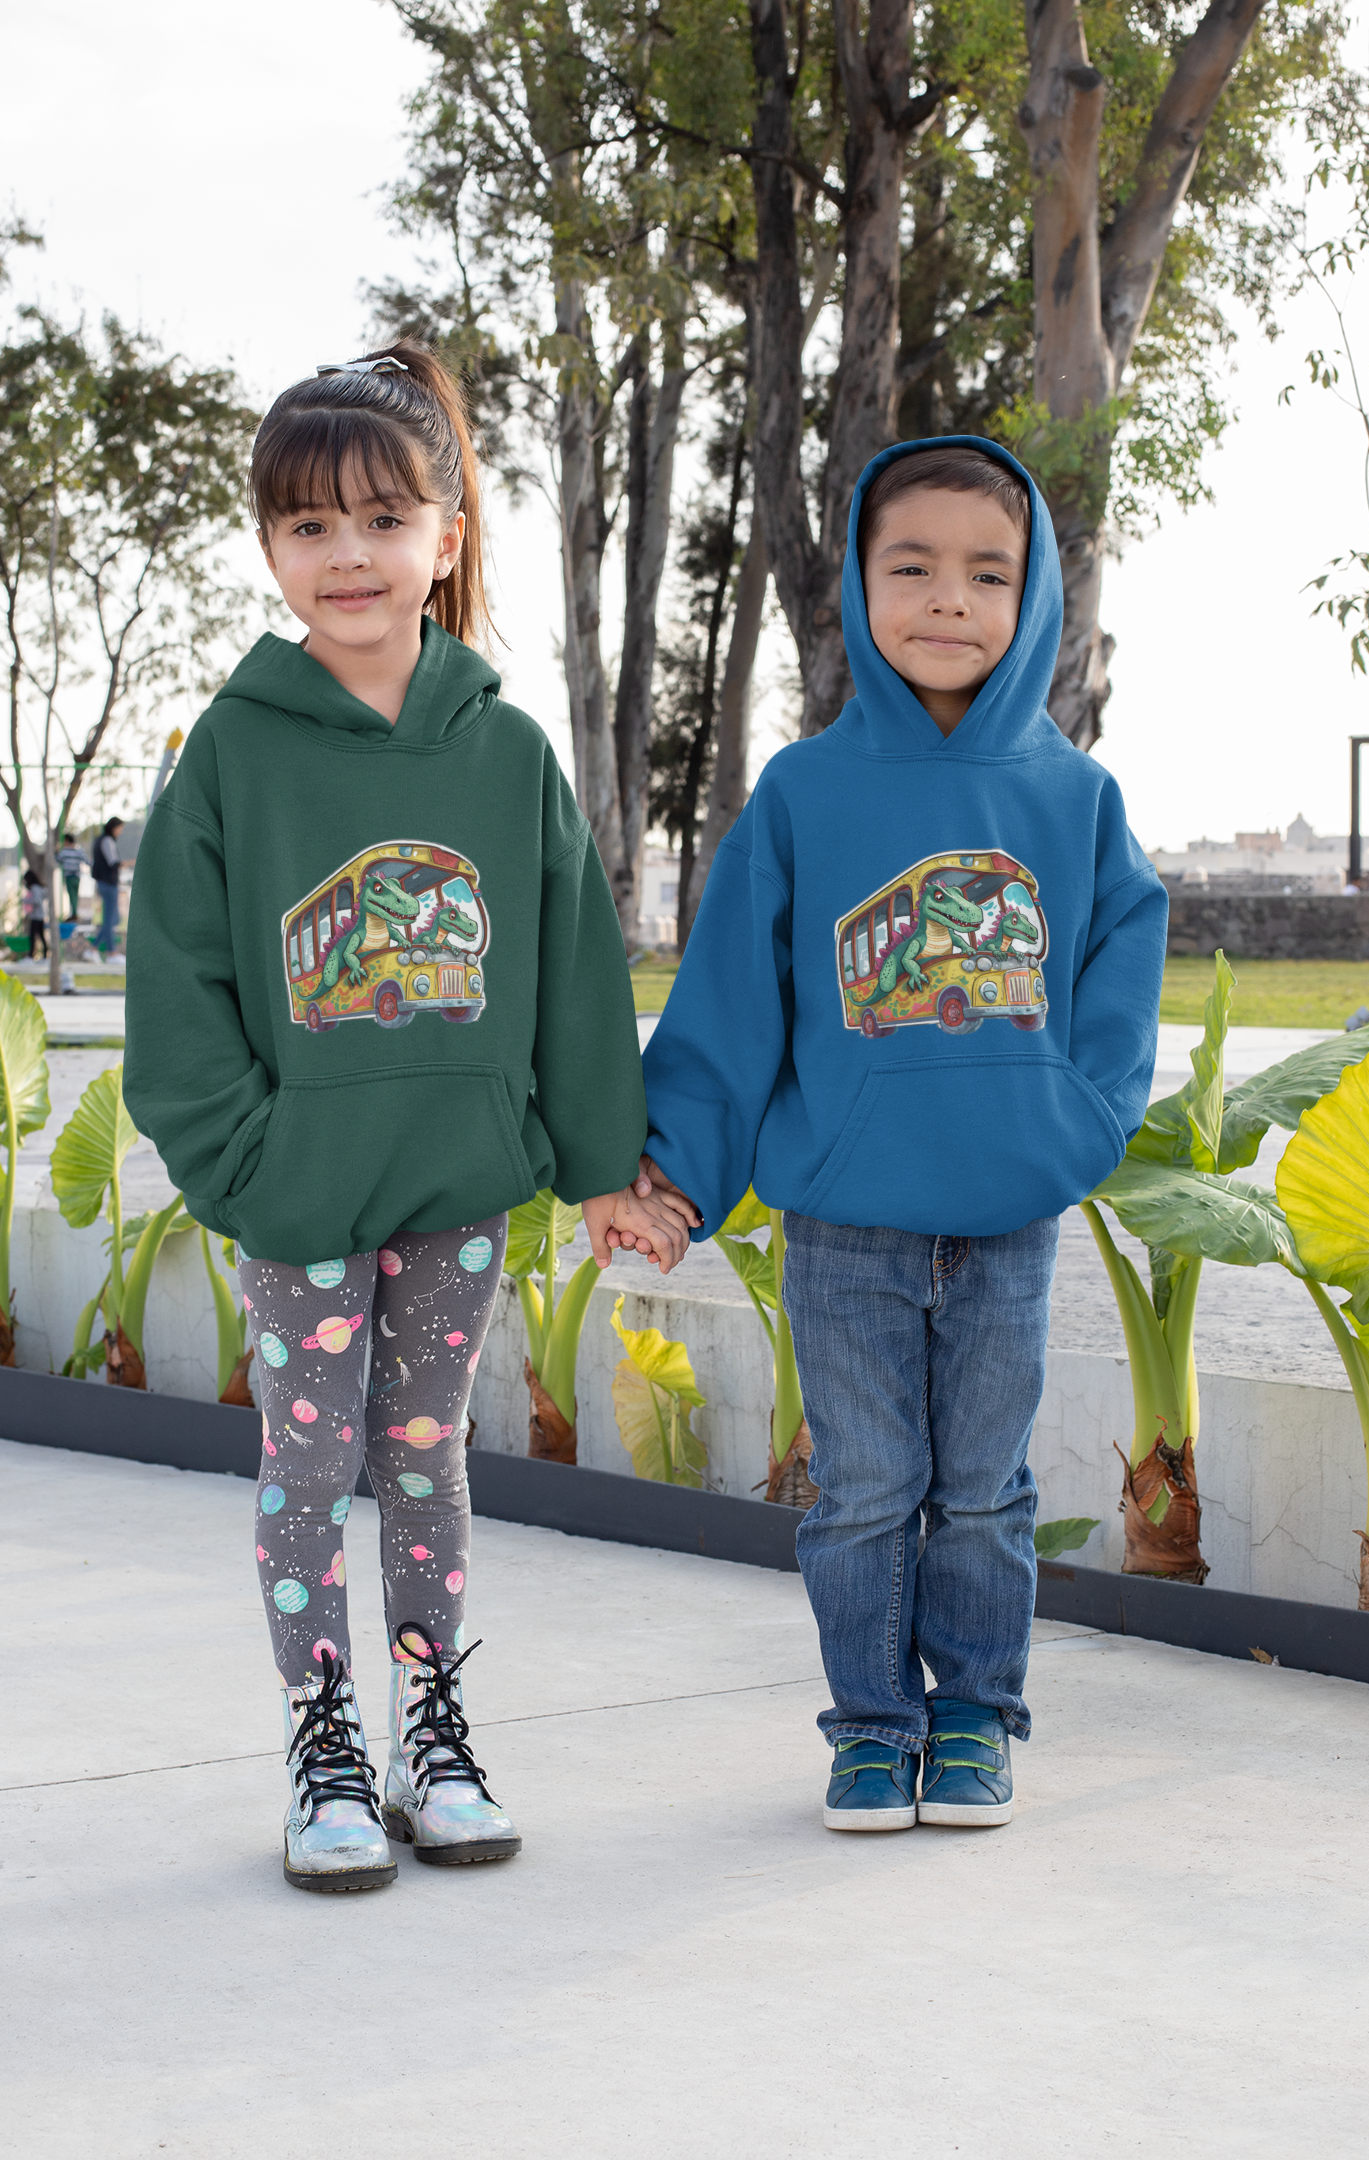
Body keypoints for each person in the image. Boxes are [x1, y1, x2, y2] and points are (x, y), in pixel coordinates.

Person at [122, 343, 693, 1895]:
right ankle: (324, 1744)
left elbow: (574, 978)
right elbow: (176, 986)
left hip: (456, 1189)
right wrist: (250, 1165)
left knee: (428, 1459)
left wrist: (599, 1169)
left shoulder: (506, 752)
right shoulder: (233, 750)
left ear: (446, 537)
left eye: (382, 519)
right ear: (269, 548)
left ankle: (431, 1735)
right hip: (300, 1200)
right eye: (309, 525)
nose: (348, 554)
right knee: (310, 1467)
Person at [636, 438, 1167, 1834]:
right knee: (865, 1492)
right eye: (912, 566)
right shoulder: (805, 793)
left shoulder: (1075, 797)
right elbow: (732, 1001)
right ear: (858, 588)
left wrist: (1078, 1122)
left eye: (989, 574)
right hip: (843, 1221)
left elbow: (1122, 971)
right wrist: (679, 1172)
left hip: (1009, 1217)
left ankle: (977, 1717)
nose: (949, 599)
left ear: (1035, 597)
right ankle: (873, 1728)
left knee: (983, 1492)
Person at [91, 817, 124, 957]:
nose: (120, 832)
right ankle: (111, 953)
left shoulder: (101, 840)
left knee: (114, 919)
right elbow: (113, 863)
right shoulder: (107, 841)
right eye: (120, 829)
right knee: (110, 920)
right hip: (108, 884)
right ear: (114, 827)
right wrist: (131, 862)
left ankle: (93, 949)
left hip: (105, 883)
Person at [57, 832, 87, 923]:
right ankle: (74, 913)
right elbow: (87, 860)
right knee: (75, 896)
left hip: (69, 876)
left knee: (72, 895)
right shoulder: (79, 851)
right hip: (77, 876)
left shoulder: (64, 852)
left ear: (66, 841)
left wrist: (56, 851)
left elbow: (58, 859)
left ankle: (74, 914)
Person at [21, 868, 47, 960]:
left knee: (33, 937)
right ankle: (43, 955)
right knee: (40, 936)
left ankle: (31, 955)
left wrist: (25, 900)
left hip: (37, 917)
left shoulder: (34, 888)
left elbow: (37, 901)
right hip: (39, 916)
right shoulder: (38, 888)